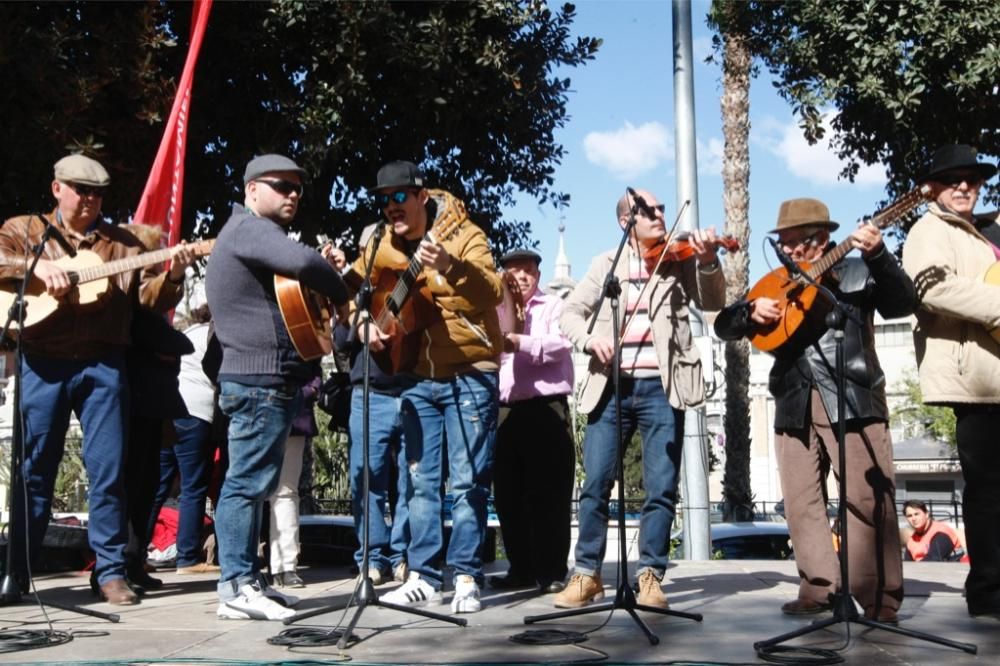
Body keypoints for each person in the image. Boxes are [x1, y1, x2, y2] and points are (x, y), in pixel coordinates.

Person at [0, 154, 195, 605]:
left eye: (97, 193)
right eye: (80, 190)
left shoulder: (123, 244)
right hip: (43, 362)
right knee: (34, 471)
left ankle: (109, 571)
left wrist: (176, 272)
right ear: (56, 189)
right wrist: (34, 268)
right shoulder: (24, 230)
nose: (90, 200)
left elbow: (147, 298)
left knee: (108, 470)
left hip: (103, 364)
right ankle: (20, 568)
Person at [715, 197, 913, 624]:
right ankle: (818, 588)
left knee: (867, 497)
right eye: (782, 244)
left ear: (821, 240)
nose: (787, 251)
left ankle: (879, 597)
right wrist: (749, 311)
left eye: (794, 244)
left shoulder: (859, 270)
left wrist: (878, 253)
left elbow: (902, 303)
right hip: (793, 399)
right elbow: (724, 325)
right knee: (801, 500)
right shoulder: (774, 284)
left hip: (852, 398)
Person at [555, 188, 726, 609]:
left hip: (662, 388)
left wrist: (706, 260)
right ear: (625, 221)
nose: (658, 214)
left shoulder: (679, 259)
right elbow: (569, 314)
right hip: (612, 389)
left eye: (661, 208)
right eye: (646, 210)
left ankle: (650, 575)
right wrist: (591, 339)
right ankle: (587, 575)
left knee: (661, 488)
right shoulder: (604, 263)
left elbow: (713, 302)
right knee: (595, 484)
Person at [354, 160, 503, 614]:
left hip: (470, 373)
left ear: (422, 197)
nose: (391, 207)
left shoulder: (463, 234)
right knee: (418, 482)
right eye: (383, 200)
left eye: (400, 197)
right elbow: (355, 299)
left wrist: (452, 266)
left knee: (467, 483)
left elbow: (493, 291)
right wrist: (365, 325)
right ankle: (421, 574)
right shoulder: (380, 242)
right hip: (419, 378)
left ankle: (465, 575)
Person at [205, 153, 348, 620]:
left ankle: (248, 580)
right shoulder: (249, 229)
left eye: (297, 189)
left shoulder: (254, 238)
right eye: (281, 186)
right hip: (258, 380)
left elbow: (292, 283)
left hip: (268, 378)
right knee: (245, 485)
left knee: (255, 484)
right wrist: (343, 291)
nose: (292, 195)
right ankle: (235, 585)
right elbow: (303, 261)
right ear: (251, 190)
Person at [901, 144, 1000, 616]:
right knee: (986, 490)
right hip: (977, 380)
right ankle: (987, 591)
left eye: (973, 179)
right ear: (932, 188)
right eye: (953, 179)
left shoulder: (985, 233)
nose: (965, 186)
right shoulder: (928, 228)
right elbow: (932, 287)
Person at [490, 248, 575, 595]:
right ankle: (520, 569)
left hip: (546, 407)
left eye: (527, 271)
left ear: (538, 276)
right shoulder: (495, 311)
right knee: (508, 493)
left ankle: (553, 570)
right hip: (505, 409)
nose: (521, 277)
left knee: (550, 493)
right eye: (513, 272)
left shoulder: (555, 306)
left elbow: (562, 342)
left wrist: (519, 343)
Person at [155, 303, 222, 575]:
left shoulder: (188, 332)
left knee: (158, 484)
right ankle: (187, 558)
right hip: (197, 415)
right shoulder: (213, 337)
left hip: (170, 410)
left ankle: (133, 557)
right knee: (193, 487)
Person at [268, 370, 321, 588]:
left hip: (295, 409)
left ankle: (286, 566)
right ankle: (245, 567)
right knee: (247, 492)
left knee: (286, 492)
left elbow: (316, 356)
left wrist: (311, 388)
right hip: (254, 407)